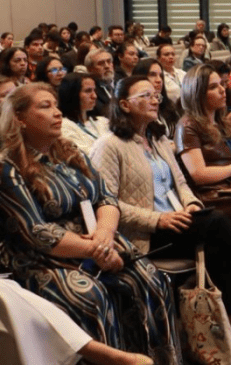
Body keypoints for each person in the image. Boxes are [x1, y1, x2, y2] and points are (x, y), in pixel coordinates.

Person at [91, 76, 231, 353]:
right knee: (218, 222)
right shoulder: (109, 145)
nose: (155, 100)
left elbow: (183, 185)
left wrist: (190, 205)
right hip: (146, 233)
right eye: (145, 96)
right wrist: (158, 219)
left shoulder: (158, 139)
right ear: (125, 104)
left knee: (217, 244)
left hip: (180, 221)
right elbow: (106, 201)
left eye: (156, 95)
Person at [0, 83, 182, 363]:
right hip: (43, 257)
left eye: (56, 105)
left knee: (151, 281)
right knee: (90, 297)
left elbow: (106, 198)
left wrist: (105, 237)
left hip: (100, 240)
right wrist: (96, 251)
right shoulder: (8, 166)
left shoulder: (69, 152)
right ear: (20, 119)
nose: (57, 113)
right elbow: (36, 232)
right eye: (45, 107)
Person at [0, 278, 154, 365]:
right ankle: (105, 355)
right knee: (5, 295)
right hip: (35, 252)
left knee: (149, 279)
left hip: (87, 243)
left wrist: (104, 233)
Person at [58, 72, 110, 154]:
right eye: (88, 91)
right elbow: (86, 157)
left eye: (94, 90)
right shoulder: (64, 126)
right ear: (72, 94)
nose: (94, 96)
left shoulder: (103, 121)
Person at [132, 59, 180, 139]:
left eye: (160, 75)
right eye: (152, 75)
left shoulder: (168, 104)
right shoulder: (137, 110)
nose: (159, 80)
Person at [84, 48, 115, 118]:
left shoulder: (120, 82)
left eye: (109, 62)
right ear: (90, 69)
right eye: (101, 63)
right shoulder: (89, 91)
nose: (107, 66)